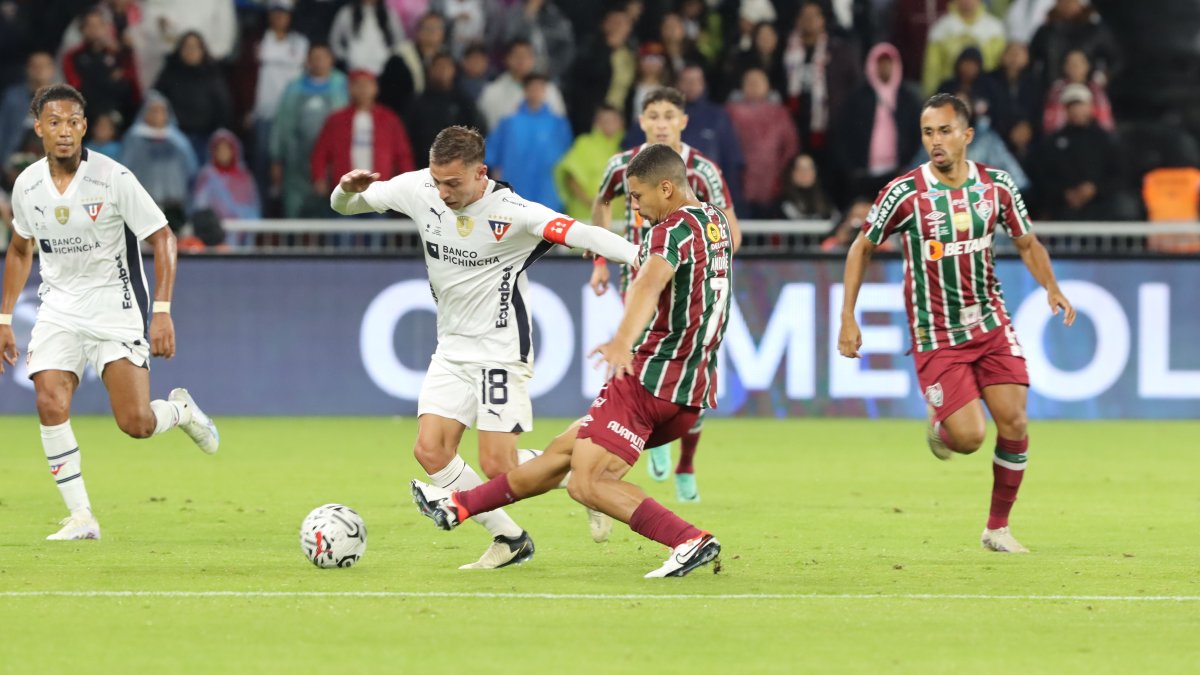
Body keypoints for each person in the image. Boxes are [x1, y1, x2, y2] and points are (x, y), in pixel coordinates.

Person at [410, 143, 732, 578]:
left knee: (587, 482)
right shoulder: (715, 223)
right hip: (691, 392)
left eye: (637, 197)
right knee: (565, 451)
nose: (634, 209)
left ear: (668, 188)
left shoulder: (668, 232)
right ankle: (459, 506)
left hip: (647, 380)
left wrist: (621, 341)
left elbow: (648, 284)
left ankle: (689, 538)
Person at [329, 125, 640, 568]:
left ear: (481, 173)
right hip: (451, 348)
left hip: (500, 350)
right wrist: (344, 189)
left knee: (499, 465)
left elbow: (584, 234)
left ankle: (583, 471)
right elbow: (345, 206)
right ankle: (510, 539)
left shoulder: (514, 212)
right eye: (437, 180)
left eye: (452, 182)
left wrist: (645, 258)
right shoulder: (419, 188)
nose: (442, 191)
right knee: (431, 450)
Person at [838, 93, 1076, 554]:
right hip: (936, 334)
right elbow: (860, 248)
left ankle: (997, 529)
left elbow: (1027, 243)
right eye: (928, 132)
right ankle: (941, 420)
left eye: (945, 131)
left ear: (967, 136)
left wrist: (1052, 286)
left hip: (989, 322)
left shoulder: (997, 187)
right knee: (968, 439)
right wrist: (848, 316)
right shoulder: (904, 193)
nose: (935, 141)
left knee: (1015, 420)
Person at [0, 84, 220, 541]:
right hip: (59, 308)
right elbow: (21, 249)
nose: (64, 132)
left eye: (73, 122)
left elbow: (163, 238)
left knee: (135, 423)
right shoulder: (27, 184)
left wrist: (161, 311)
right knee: (49, 401)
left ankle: (179, 411)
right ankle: (82, 517)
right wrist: (4, 318)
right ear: (38, 127)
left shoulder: (112, 177)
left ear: (84, 126)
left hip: (115, 307)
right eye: (54, 122)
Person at [591, 86, 740, 505]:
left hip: (692, 280)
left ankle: (686, 464)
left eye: (669, 115)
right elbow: (601, 203)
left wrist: (715, 261)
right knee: (642, 366)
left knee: (692, 370)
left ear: (683, 122)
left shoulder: (703, 171)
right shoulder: (623, 165)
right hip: (640, 279)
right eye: (653, 115)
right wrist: (601, 259)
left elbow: (730, 225)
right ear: (641, 122)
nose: (661, 123)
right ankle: (648, 441)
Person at [484, 73, 572, 211]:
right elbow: (493, 154)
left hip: (549, 188)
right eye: (532, 88)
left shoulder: (558, 124)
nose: (535, 92)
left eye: (539, 88)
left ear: (545, 92)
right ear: (525, 91)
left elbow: (568, 157)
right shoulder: (509, 122)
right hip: (516, 185)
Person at [554, 104, 624, 223]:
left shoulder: (623, 152)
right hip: (585, 221)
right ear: (596, 123)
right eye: (605, 120)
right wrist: (594, 205)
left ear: (621, 123)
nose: (610, 124)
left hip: (616, 224)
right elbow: (570, 179)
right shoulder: (584, 144)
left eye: (613, 120)